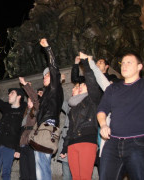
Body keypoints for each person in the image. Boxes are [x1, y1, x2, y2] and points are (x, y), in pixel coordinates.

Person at [97, 53, 144, 179]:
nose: (124, 65)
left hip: (138, 142)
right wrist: (103, 125)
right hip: (112, 143)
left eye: (129, 62)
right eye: (123, 63)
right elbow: (102, 109)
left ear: (139, 66)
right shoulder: (113, 88)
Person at [60, 52, 102, 180]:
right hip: (72, 143)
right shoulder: (73, 106)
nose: (80, 86)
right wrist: (64, 147)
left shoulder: (93, 99)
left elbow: (92, 81)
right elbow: (70, 128)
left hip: (87, 141)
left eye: (83, 85)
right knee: (76, 177)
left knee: (84, 177)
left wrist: (85, 64)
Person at [33, 38, 64, 180]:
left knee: (43, 165)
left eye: (47, 75)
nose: (44, 77)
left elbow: (53, 68)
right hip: (41, 129)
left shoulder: (55, 89)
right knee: (39, 166)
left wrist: (48, 49)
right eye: (44, 75)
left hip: (48, 128)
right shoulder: (46, 93)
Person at [0, 72, 26, 180]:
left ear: (19, 96)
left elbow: (22, 131)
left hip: (10, 145)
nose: (9, 95)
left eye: (12, 93)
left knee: (6, 173)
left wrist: (18, 149)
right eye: (9, 93)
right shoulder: (6, 107)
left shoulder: (24, 109)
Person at [18, 77, 39, 180]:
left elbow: (35, 99)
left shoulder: (36, 110)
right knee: (23, 173)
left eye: (30, 100)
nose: (28, 101)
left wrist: (26, 85)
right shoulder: (26, 113)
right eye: (28, 100)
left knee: (32, 173)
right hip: (23, 144)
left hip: (31, 144)